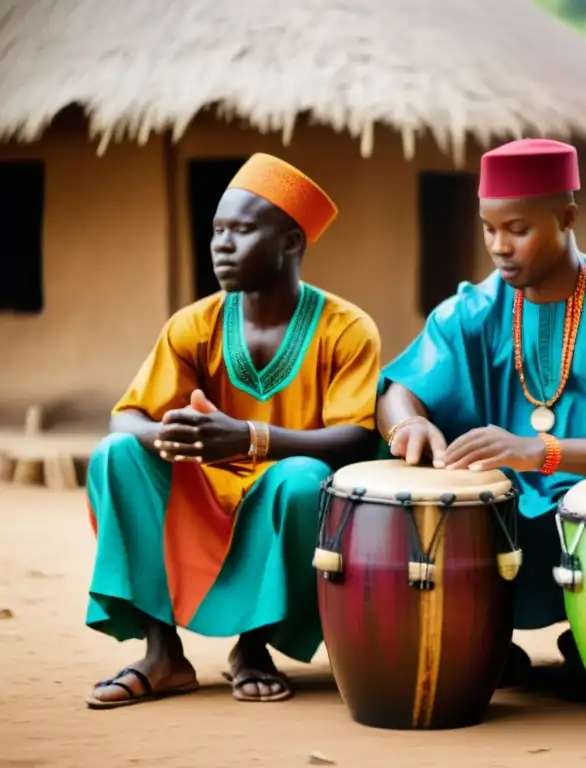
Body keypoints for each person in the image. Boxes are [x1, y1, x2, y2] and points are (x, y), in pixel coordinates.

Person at [376, 138, 586, 690]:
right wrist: (409, 423)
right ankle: (482, 636)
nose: (499, 246)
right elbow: (399, 391)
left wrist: (540, 452)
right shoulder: (472, 311)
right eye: (488, 228)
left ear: (567, 217)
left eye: (518, 229)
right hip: (501, 520)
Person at [84, 153, 381, 708]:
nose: (221, 244)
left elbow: (356, 437)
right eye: (217, 230)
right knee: (115, 453)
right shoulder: (195, 324)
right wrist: (175, 438)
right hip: (202, 496)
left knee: (301, 478)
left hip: (287, 504)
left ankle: (253, 648)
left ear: (292, 242)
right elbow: (126, 416)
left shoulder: (346, 328)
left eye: (241, 231)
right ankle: (162, 654)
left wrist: (250, 438)